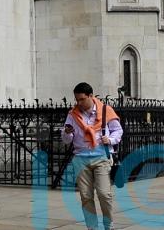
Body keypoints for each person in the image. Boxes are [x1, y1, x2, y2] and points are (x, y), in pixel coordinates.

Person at [61, 82, 121, 230]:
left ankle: (108, 225)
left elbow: (118, 131)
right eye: (77, 100)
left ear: (90, 96)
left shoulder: (105, 110)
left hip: (101, 157)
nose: (79, 103)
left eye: (82, 99)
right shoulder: (72, 114)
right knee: (86, 196)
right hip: (80, 158)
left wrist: (110, 140)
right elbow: (67, 140)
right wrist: (67, 133)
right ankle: (92, 227)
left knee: (104, 194)